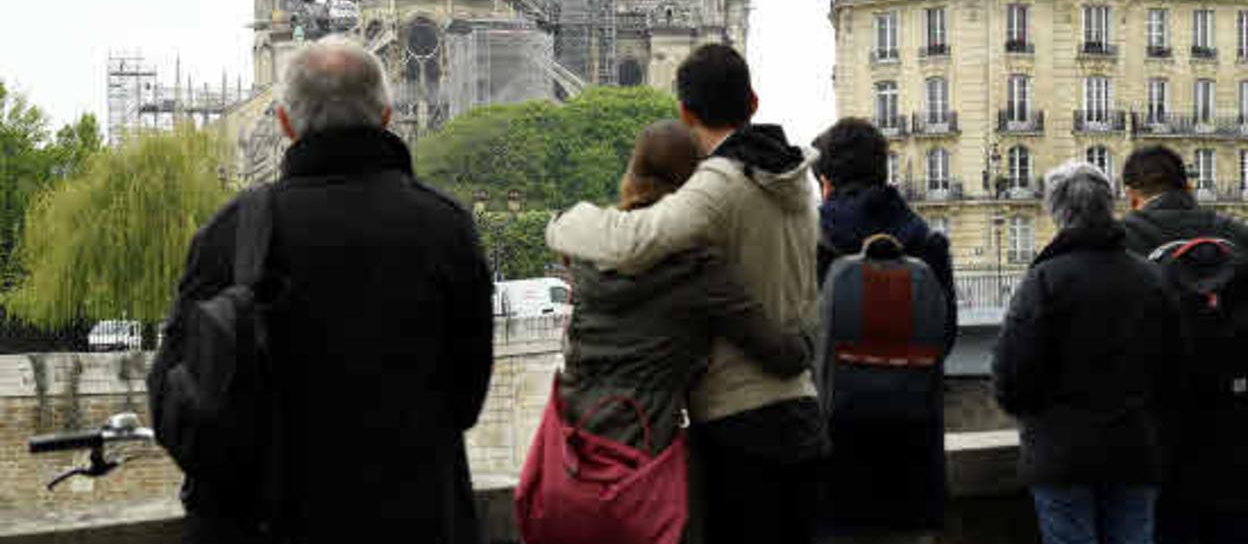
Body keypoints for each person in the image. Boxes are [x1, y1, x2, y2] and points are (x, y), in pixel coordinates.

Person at [152, 36, 494, 543]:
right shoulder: (446, 227)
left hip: (269, 522)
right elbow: (466, 400)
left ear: (286, 123)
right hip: (416, 519)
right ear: (386, 117)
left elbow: (172, 401)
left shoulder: (234, 231)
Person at [547, 44, 824, 544]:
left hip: (740, 425)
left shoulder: (719, 183)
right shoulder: (798, 181)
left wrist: (564, 223)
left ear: (685, 111)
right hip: (803, 412)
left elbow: (632, 242)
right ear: (753, 102)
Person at [993, 161, 1181, 544]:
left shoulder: (1043, 281)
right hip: (1134, 450)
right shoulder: (1150, 278)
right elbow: (1174, 368)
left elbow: (1012, 376)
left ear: (1056, 212)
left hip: (1061, 455)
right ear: (1110, 205)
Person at [810, 117, 957, 541]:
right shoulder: (927, 244)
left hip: (834, 459)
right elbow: (944, 338)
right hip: (914, 460)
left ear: (826, 182)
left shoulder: (811, 243)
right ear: (882, 171)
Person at [1121, 145, 1248, 544]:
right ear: (1188, 187)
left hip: (1157, 428)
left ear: (1132, 195)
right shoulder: (1237, 235)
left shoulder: (1122, 242)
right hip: (1234, 422)